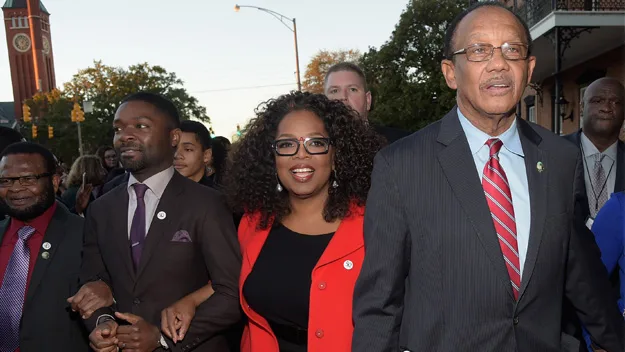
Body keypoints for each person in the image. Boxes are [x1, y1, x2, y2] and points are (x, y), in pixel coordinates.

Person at [352, 3, 625, 352]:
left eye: (512, 50)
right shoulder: (401, 166)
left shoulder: (559, 159)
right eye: (479, 50)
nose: (498, 64)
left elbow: (581, 273)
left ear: (528, 69)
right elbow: (379, 307)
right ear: (451, 72)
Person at [160, 92, 383, 351]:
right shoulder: (255, 222)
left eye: (316, 142)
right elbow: (236, 275)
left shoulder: (373, 223)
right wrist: (191, 301)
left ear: (336, 154)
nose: (301, 155)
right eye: (287, 145)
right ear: (272, 157)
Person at [73, 92, 242, 352]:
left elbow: (232, 292)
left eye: (141, 126)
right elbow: (94, 283)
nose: (125, 136)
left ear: (173, 137)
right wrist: (103, 323)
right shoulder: (101, 208)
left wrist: (162, 338)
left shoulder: (207, 204)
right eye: (118, 128)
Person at [0, 142, 88, 351]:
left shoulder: (87, 235)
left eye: (28, 179)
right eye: (5, 181)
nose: (15, 188)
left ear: (55, 181)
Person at [563, 77, 625, 223]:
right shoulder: (553, 153)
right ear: (582, 107)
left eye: (616, 102)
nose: (607, 108)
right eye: (597, 101)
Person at [324, 62, 410, 143]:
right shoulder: (315, 148)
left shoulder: (403, 143)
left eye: (352, 89)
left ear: (368, 100)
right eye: (334, 91)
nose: (343, 97)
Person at [174, 121, 214, 187]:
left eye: (188, 149)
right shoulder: (156, 193)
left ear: (206, 155)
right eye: (173, 148)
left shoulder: (216, 196)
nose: (177, 155)